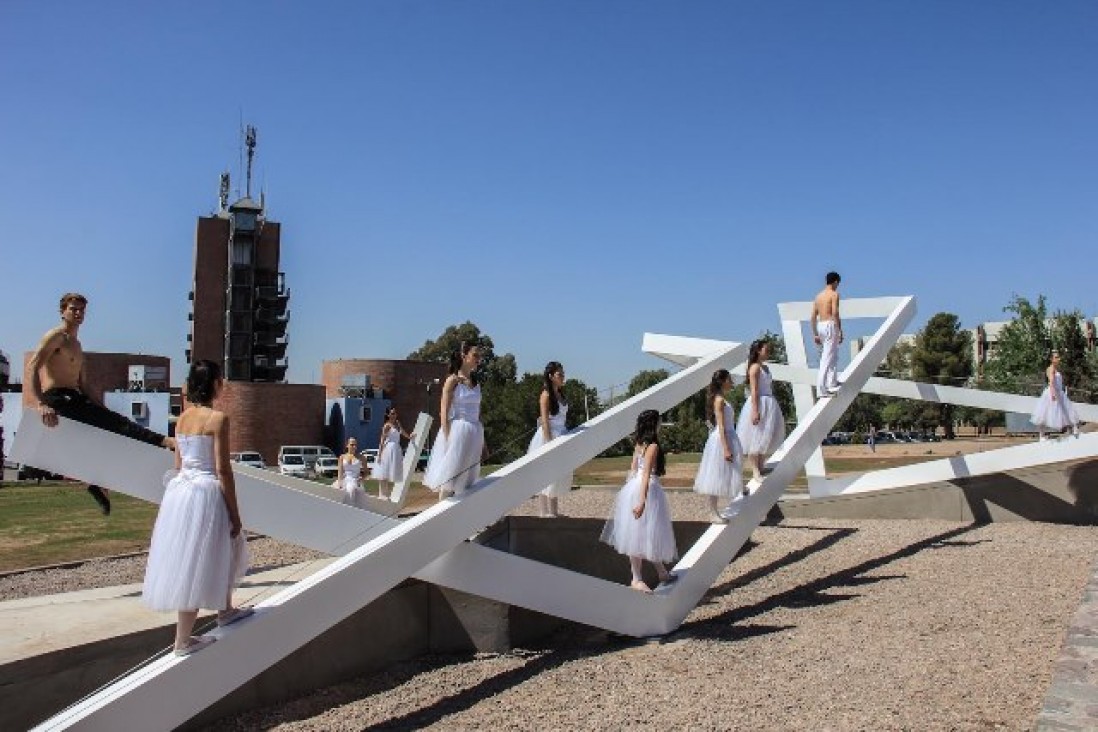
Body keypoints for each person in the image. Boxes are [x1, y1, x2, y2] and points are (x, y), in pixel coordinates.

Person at [29, 292, 175, 515]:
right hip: (57, 399)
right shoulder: (56, 337)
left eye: (81, 310)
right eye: (73, 309)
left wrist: (102, 408)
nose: (78, 314)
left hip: (75, 398)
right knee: (115, 427)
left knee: (114, 425)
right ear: (62, 312)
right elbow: (33, 366)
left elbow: (83, 386)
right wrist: (40, 404)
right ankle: (163, 441)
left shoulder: (77, 345)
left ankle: (95, 481)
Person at [142, 360, 251, 656]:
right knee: (208, 554)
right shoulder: (217, 419)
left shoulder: (182, 419)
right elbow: (223, 470)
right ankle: (184, 640)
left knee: (190, 555)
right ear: (216, 384)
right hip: (205, 490)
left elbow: (178, 464)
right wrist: (235, 513)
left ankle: (223, 610)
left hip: (181, 491)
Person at [600, 409, 678, 593]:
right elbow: (645, 475)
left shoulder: (639, 444)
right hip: (647, 489)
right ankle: (637, 578)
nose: (660, 425)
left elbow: (634, 468)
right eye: (658, 422)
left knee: (643, 533)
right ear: (653, 424)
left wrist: (630, 493)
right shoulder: (652, 447)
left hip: (635, 487)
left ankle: (661, 572)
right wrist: (642, 500)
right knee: (644, 533)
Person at [423, 342, 485, 498]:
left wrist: (484, 441)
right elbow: (443, 412)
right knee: (450, 477)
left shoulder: (476, 383)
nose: (479, 359)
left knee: (468, 478)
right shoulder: (452, 380)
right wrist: (447, 436)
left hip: (475, 431)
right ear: (464, 356)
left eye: (480, 356)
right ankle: (442, 515)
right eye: (475, 355)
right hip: (459, 430)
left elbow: (478, 412)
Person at [692, 369, 744, 523]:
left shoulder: (722, 399)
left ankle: (741, 487)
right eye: (729, 379)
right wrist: (726, 447)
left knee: (729, 469)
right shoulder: (719, 400)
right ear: (722, 381)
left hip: (728, 435)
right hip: (722, 438)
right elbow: (720, 425)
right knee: (716, 475)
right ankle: (713, 512)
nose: (731, 382)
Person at [737, 339, 786, 488]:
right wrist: (755, 410)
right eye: (766, 349)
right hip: (759, 402)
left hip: (769, 403)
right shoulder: (754, 368)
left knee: (766, 434)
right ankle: (755, 469)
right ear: (758, 351)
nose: (768, 351)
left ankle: (761, 464)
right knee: (755, 436)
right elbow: (754, 391)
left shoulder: (766, 368)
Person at [526, 361, 573, 518]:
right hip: (549, 436)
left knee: (557, 475)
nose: (563, 376)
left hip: (562, 434)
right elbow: (545, 421)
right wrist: (549, 443)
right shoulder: (546, 395)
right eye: (559, 374)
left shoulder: (561, 394)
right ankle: (544, 512)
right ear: (551, 376)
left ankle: (554, 511)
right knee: (545, 474)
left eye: (563, 373)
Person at [1031, 351, 1081, 441]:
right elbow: (1051, 382)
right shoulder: (1051, 369)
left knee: (1067, 410)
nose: (1058, 359)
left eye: (1058, 357)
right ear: (1051, 359)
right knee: (1044, 413)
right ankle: (1041, 435)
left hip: (1059, 392)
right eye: (1056, 357)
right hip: (1053, 392)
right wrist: (1053, 394)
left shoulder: (1055, 369)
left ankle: (1074, 428)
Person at [811, 272, 843, 398]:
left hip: (821, 325)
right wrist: (840, 329)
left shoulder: (818, 296)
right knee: (827, 357)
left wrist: (815, 334)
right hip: (830, 324)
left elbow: (813, 316)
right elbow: (835, 312)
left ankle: (832, 382)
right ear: (835, 282)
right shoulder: (834, 294)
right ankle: (821, 388)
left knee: (832, 355)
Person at [371, 407, 414, 500]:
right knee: (384, 471)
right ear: (388, 415)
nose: (393, 415)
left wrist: (410, 437)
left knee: (390, 471)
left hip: (396, 449)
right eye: (392, 413)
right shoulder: (387, 426)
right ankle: (382, 494)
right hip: (388, 449)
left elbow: (402, 432)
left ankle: (385, 494)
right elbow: (382, 440)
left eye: (394, 413)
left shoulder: (397, 424)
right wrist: (379, 455)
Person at [336, 437, 364, 501]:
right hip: (345, 479)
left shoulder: (361, 457)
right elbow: (340, 472)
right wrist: (340, 483)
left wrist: (361, 478)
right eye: (352, 445)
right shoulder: (342, 457)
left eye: (355, 445)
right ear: (347, 445)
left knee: (351, 490)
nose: (354, 447)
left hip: (355, 480)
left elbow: (367, 472)